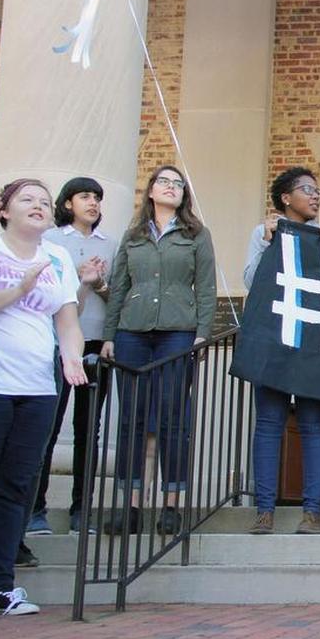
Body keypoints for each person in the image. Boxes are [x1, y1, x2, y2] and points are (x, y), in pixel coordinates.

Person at [0, 179, 87, 617]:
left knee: (15, 486)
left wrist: (71, 357)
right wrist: (18, 291)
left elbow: (67, 321)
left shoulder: (56, 257)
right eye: (27, 199)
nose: (39, 205)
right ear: (4, 211)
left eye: (44, 201)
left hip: (37, 388)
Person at [101, 166, 217, 538]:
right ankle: (131, 506)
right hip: (132, 332)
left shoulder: (197, 234)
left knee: (173, 419)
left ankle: (171, 505)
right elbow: (119, 287)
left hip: (178, 332)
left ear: (184, 194)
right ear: (151, 190)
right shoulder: (133, 235)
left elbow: (207, 289)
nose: (170, 187)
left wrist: (202, 334)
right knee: (131, 419)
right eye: (163, 182)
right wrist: (108, 335)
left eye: (177, 184)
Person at [243, 166, 320, 535]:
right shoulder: (263, 232)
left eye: (317, 191)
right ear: (286, 198)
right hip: (273, 338)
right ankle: (264, 510)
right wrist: (268, 243)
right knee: (269, 424)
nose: (315, 196)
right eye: (307, 190)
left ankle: (312, 511)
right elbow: (251, 281)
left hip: (312, 342)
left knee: (314, 424)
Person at [26, 178, 116, 536]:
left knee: (88, 430)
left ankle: (82, 510)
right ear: (68, 203)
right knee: (47, 428)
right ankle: (35, 510)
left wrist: (99, 283)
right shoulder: (50, 242)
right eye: (85, 197)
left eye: (97, 198)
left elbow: (118, 297)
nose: (93, 203)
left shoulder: (110, 244)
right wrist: (80, 280)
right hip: (57, 344)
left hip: (96, 345)